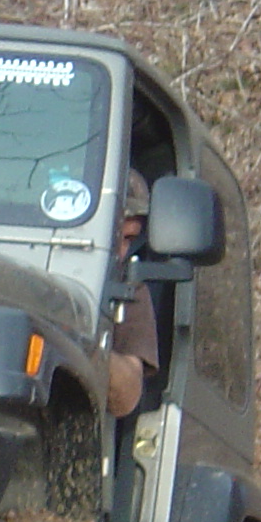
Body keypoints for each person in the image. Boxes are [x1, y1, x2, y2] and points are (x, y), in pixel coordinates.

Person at [106, 168, 160, 417]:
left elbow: (125, 396)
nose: (121, 251)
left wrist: (84, 350)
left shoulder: (129, 287)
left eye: (128, 238)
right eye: (112, 233)